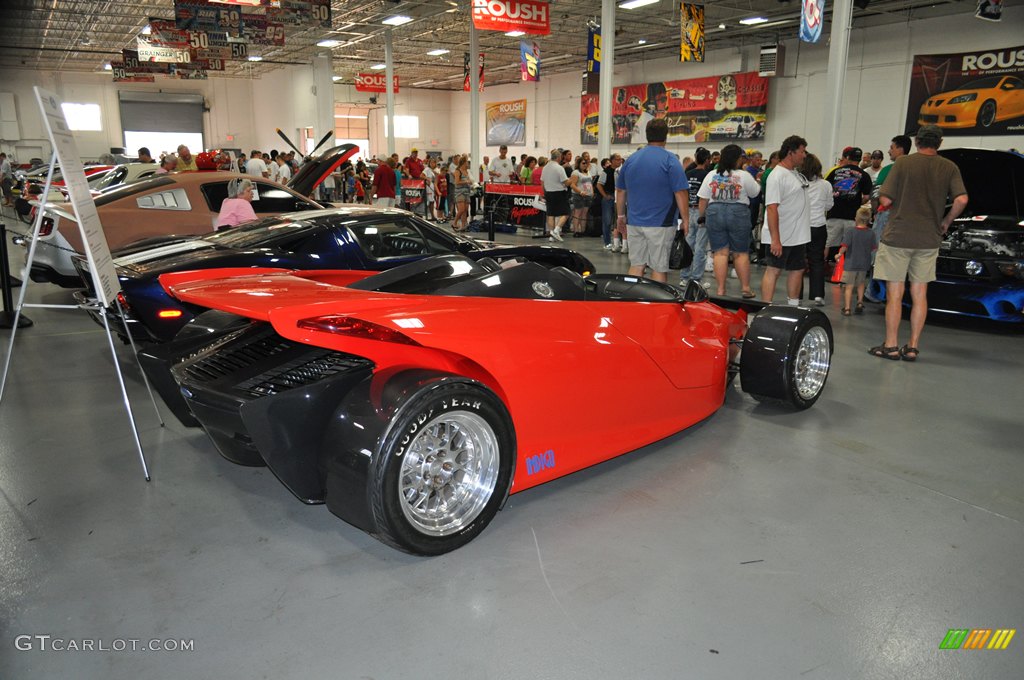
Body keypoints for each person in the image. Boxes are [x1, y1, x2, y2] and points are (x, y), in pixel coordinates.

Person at [870, 125, 968, 362]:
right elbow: (962, 199)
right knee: (919, 293)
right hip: (928, 239)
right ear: (940, 143)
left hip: (898, 237)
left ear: (916, 142)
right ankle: (913, 346)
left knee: (895, 293)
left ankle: (891, 345)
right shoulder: (949, 167)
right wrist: (946, 221)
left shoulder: (902, 164)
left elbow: (884, 198)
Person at [615, 117, 689, 284]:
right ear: (666, 136)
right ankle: (657, 307)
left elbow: (620, 190)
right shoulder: (670, 160)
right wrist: (685, 220)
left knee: (636, 265)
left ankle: (632, 302)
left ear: (646, 135)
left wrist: (620, 217)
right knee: (659, 267)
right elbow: (680, 192)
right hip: (661, 223)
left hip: (634, 222)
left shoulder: (631, 160)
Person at [696, 143, 760, 296]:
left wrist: (701, 217)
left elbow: (703, 199)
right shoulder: (743, 175)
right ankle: (745, 288)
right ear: (738, 159)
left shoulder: (711, 174)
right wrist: (755, 180)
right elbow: (755, 193)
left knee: (720, 253)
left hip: (714, 212)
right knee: (741, 253)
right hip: (738, 212)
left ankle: (720, 289)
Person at [760, 135, 811, 305]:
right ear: (791, 152)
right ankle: (766, 308)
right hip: (780, 235)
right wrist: (775, 239)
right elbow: (771, 208)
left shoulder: (795, 173)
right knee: (773, 270)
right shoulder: (777, 176)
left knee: (797, 270)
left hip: (798, 235)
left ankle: (793, 305)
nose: (805, 155)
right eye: (802, 151)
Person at [825, 146, 872, 261]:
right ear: (860, 159)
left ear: (847, 157)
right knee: (848, 246)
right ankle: (845, 273)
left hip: (834, 214)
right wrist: (857, 202)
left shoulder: (835, 171)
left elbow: (825, 189)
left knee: (828, 244)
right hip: (852, 216)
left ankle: (821, 268)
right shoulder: (864, 175)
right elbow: (866, 197)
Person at [802, 153, 834, 306]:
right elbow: (829, 205)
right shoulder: (826, 184)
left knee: (799, 261)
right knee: (817, 261)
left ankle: (797, 294)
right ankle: (817, 295)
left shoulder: (798, 183)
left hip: (801, 226)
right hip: (818, 226)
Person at [679, 147, 713, 285]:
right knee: (700, 247)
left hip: (688, 211)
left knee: (687, 245)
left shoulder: (687, 174)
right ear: (706, 160)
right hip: (701, 212)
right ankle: (696, 279)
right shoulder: (708, 175)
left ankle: (684, 277)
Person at [838, 205, 877, 315]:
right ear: (869, 220)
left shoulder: (851, 232)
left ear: (856, 219)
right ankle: (859, 303)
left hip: (851, 263)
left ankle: (847, 308)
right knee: (861, 284)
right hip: (864, 263)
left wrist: (839, 254)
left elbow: (845, 246)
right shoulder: (871, 233)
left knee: (849, 286)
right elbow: (874, 248)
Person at [541, 149, 571, 242]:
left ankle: (551, 234)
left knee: (551, 214)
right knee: (566, 213)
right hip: (559, 193)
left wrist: (544, 193)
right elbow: (566, 182)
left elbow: (542, 182)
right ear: (559, 157)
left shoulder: (545, 167)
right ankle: (557, 230)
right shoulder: (559, 168)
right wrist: (572, 179)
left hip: (548, 192)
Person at [596, 153, 622, 250]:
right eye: (617, 159)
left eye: (620, 159)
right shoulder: (606, 172)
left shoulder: (620, 171)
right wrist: (605, 195)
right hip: (609, 197)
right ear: (612, 161)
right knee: (607, 221)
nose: (619, 161)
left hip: (619, 197)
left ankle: (618, 241)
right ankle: (607, 242)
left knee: (618, 220)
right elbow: (599, 185)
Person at [568, 157, 595, 237]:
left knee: (584, 213)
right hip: (579, 195)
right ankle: (576, 231)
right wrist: (580, 192)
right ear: (579, 164)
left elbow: (590, 183)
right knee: (578, 213)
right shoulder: (575, 173)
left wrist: (592, 192)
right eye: (583, 163)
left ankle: (583, 230)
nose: (585, 165)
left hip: (588, 195)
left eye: (586, 163)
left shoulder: (588, 172)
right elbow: (572, 185)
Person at [452, 155, 472, 232]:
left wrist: (470, 183)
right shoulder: (458, 171)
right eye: (467, 162)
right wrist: (466, 181)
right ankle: (455, 222)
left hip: (467, 191)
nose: (468, 164)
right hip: (460, 192)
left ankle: (463, 225)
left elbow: (469, 180)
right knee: (461, 209)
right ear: (463, 162)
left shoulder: (466, 171)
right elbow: (457, 182)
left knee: (465, 210)